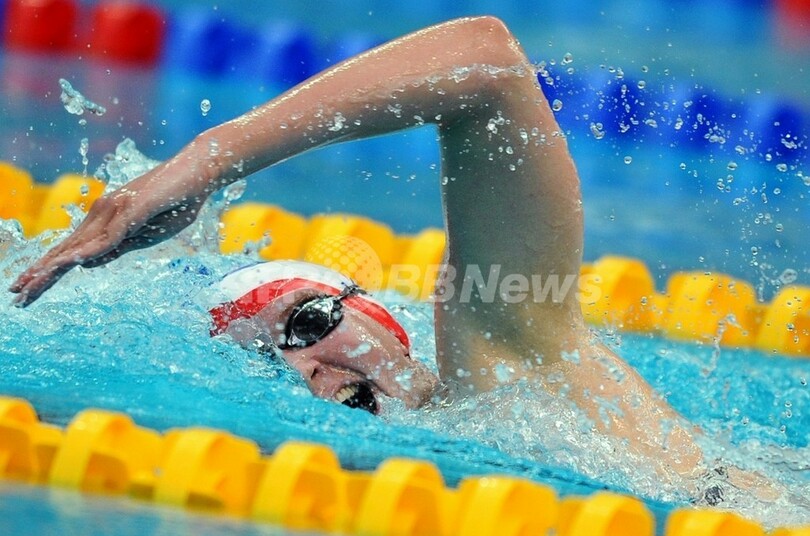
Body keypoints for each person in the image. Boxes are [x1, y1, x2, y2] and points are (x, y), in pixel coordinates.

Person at [9, 16, 766, 493]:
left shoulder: (508, 358)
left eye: (307, 322)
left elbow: (489, 64)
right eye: (271, 365)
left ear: (378, 314)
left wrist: (208, 159)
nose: (308, 369)